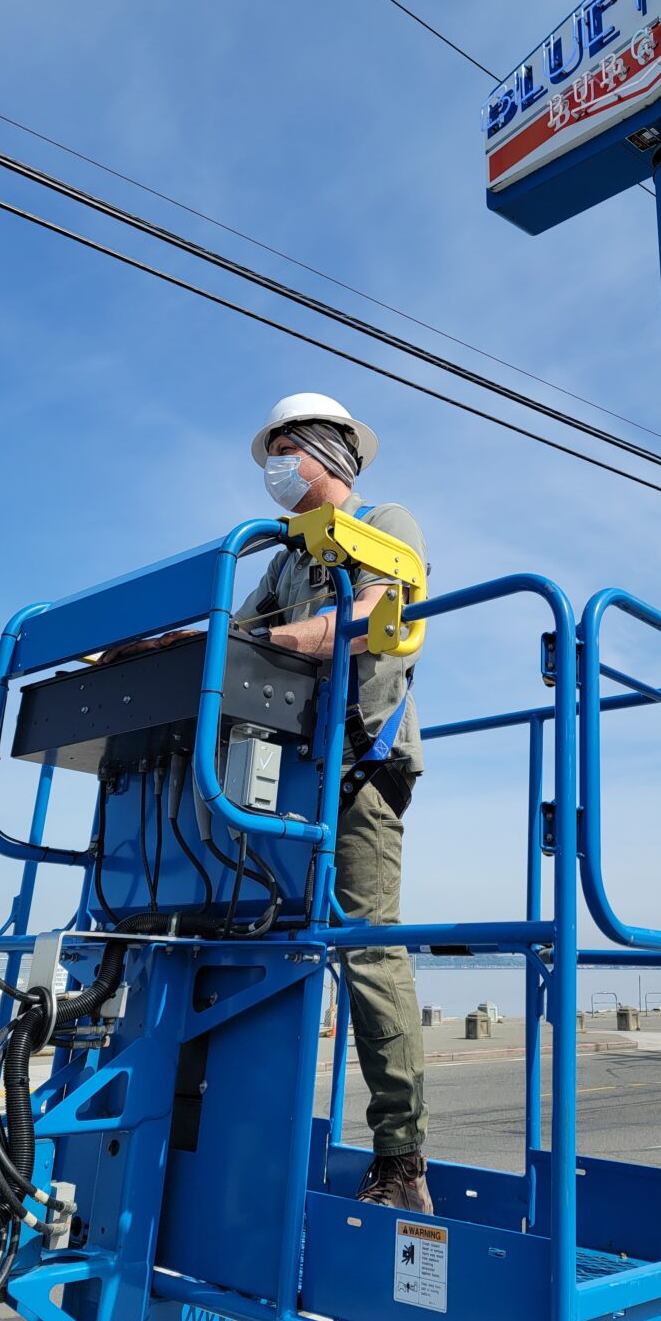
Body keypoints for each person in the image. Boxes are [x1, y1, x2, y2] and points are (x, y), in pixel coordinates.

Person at [236, 393, 432, 1214]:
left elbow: (368, 620)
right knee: (256, 933)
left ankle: (402, 1158)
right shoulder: (284, 558)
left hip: (360, 765)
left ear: (324, 452)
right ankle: (245, 1138)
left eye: (284, 451)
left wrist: (266, 639)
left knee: (366, 946)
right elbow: (236, 627)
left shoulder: (388, 523)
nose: (276, 470)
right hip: (292, 768)